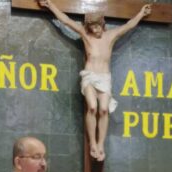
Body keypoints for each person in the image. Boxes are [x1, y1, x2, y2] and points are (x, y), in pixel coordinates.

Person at [38, 0, 152, 162]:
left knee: (104, 110)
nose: (95, 30)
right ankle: (92, 142)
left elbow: (129, 26)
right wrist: (50, 5)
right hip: (90, 76)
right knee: (92, 107)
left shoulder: (111, 35)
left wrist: (141, 13)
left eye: (97, 27)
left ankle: (100, 144)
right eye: (92, 28)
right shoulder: (86, 36)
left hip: (104, 78)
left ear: (102, 25)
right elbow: (66, 21)